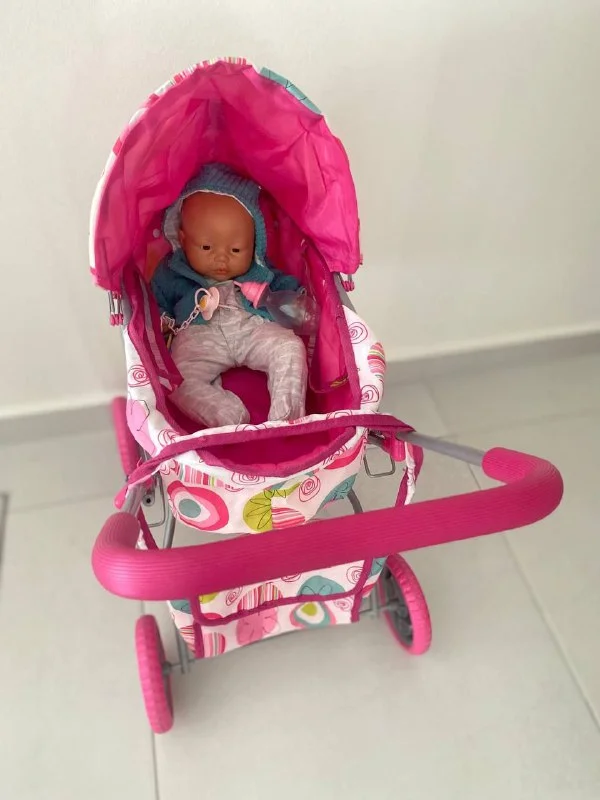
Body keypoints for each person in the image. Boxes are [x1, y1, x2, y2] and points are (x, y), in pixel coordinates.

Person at [151, 163, 308, 428]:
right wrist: (161, 324)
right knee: (176, 379)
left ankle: (286, 418)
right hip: (199, 335)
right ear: (183, 239)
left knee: (289, 347)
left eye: (235, 250)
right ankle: (227, 416)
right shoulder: (171, 272)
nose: (221, 258)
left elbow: (283, 287)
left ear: (254, 244)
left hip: (251, 326)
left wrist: (296, 299)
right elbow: (157, 301)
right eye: (206, 247)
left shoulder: (259, 271)